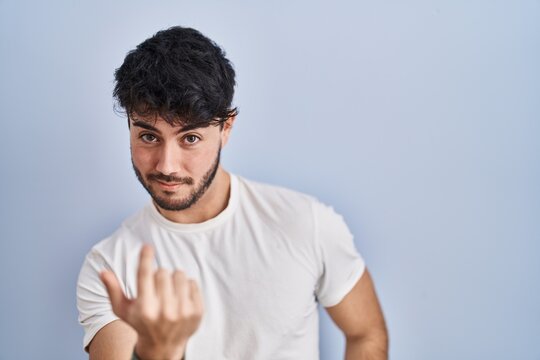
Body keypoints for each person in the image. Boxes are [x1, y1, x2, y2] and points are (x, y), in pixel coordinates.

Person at [76, 26, 388, 360]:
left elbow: (366, 333)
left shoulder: (305, 223)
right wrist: (157, 353)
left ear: (226, 128)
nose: (167, 165)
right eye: (149, 137)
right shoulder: (109, 267)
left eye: (190, 138)